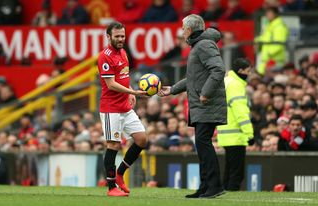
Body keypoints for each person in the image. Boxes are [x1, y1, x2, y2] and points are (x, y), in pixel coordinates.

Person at [158, 14, 227, 198]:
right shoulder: (200, 45)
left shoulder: (204, 45)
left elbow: (219, 69)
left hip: (206, 103)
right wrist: (172, 89)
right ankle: (206, 187)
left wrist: (206, 93)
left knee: (203, 143)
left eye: (182, 28)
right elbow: (194, 78)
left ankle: (214, 186)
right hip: (201, 104)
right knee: (202, 143)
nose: (181, 32)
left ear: (189, 29)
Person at [97, 21, 148, 197]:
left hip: (125, 106)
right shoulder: (105, 56)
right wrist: (133, 91)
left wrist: (129, 93)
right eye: (117, 36)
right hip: (111, 108)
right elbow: (111, 84)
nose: (120, 39)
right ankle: (111, 188)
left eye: (122, 36)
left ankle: (119, 174)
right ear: (108, 36)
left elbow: (123, 76)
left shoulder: (124, 52)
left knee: (141, 139)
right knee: (113, 145)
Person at [216, 58, 254, 191]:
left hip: (224, 132)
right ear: (240, 71)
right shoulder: (236, 85)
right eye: (248, 71)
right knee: (236, 172)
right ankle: (231, 193)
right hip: (236, 134)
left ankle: (225, 191)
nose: (249, 74)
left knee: (229, 168)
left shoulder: (226, 82)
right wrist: (249, 133)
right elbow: (240, 112)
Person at [255, 7, 289, 75]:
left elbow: (279, 44)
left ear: (275, 14)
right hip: (267, 60)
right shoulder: (271, 25)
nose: (267, 15)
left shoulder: (279, 26)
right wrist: (256, 40)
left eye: (269, 13)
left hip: (275, 61)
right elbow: (266, 38)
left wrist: (268, 53)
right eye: (267, 13)